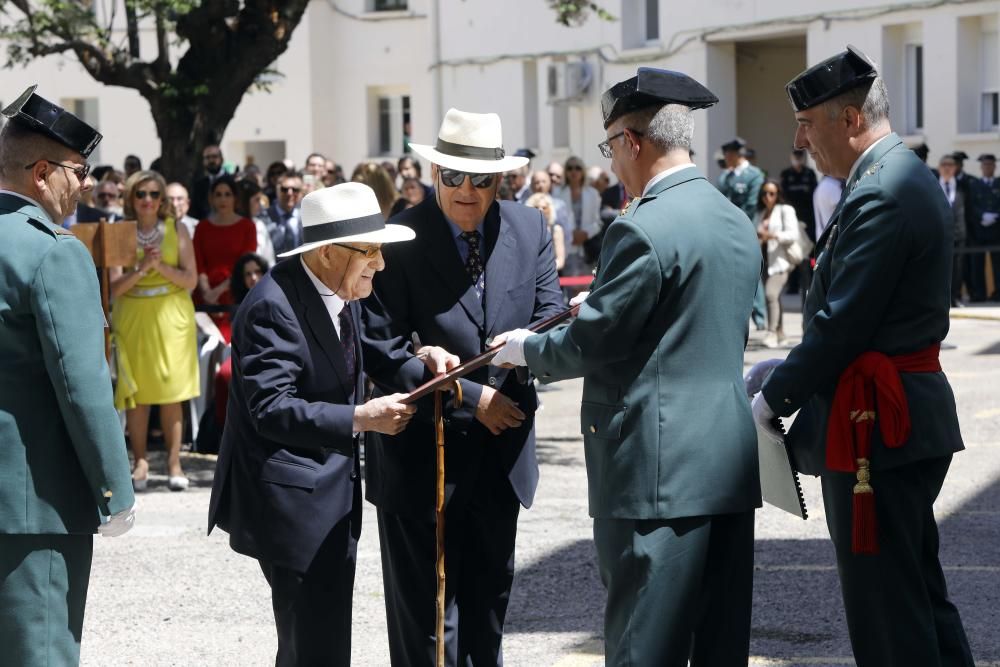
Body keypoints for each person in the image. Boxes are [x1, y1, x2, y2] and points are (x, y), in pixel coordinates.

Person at [490, 67, 762, 667]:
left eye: (610, 146)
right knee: (720, 646)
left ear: (632, 142)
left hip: (653, 472)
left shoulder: (641, 226)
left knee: (645, 644)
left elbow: (593, 343)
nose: (612, 162)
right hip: (725, 465)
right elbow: (687, 317)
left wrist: (524, 349)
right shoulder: (733, 220)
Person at [751, 45, 974, 667]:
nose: (799, 139)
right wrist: (785, 369)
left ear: (849, 120)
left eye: (807, 122)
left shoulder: (881, 188)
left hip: (876, 421)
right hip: (887, 415)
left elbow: (843, 324)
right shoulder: (892, 176)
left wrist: (773, 400)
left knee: (887, 612)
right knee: (916, 597)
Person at [208, 183, 448, 667]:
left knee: (323, 640)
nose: (380, 264)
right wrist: (362, 418)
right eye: (371, 251)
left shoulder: (337, 287)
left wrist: (426, 363)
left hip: (327, 498)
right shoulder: (272, 306)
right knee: (313, 645)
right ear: (324, 253)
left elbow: (370, 355)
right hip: (292, 505)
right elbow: (272, 408)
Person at [361, 108, 564, 666]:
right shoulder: (396, 238)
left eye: (481, 179)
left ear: (502, 180)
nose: (466, 191)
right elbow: (381, 348)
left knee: (487, 617)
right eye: (453, 176)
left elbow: (551, 317)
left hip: (502, 458)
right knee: (428, 628)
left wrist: (520, 357)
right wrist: (472, 395)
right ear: (434, 175)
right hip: (420, 460)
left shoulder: (530, 227)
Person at [0, 85, 135, 665]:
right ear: (41, 173)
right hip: (36, 508)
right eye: (79, 172)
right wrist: (115, 489)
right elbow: (83, 388)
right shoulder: (55, 252)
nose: (85, 184)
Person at [109, 170, 200, 492]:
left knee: (173, 392)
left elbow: (191, 280)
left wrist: (159, 267)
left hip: (172, 317)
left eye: (154, 194)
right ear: (131, 198)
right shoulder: (119, 231)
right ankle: (141, 462)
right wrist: (142, 270)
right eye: (140, 194)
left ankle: (175, 463)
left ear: (162, 199)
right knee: (136, 394)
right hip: (133, 315)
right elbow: (114, 288)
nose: (147, 200)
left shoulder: (179, 229)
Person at [192, 175, 258, 342]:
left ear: (235, 198)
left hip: (235, 297)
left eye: (227, 194)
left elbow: (245, 264)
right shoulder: (202, 227)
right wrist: (207, 292)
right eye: (218, 194)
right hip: (204, 300)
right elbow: (198, 263)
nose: (223, 199)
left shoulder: (247, 227)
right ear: (211, 199)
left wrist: (217, 292)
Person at [718, 137, 767, 330]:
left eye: (728, 155)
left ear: (736, 155)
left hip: (747, 229)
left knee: (751, 269)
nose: (725, 158)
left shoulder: (754, 175)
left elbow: (752, 205)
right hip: (727, 230)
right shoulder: (726, 176)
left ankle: (760, 316)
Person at [754, 179, 801, 347]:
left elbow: (793, 234)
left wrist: (772, 236)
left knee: (770, 295)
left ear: (778, 194)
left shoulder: (785, 210)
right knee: (776, 297)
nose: (768, 197)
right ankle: (781, 333)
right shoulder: (761, 213)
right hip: (766, 261)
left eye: (772, 193)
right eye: (764, 193)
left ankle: (771, 332)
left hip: (781, 261)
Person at [555, 155, 602, 274]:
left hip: (587, 248)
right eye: (570, 168)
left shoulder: (593, 193)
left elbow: (598, 223)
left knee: (588, 288)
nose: (573, 171)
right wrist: (571, 235)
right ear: (565, 172)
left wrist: (585, 233)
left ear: (583, 171)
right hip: (567, 248)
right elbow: (555, 220)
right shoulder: (557, 193)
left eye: (577, 168)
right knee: (569, 289)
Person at [965, 152, 1000, 301]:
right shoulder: (975, 185)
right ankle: (979, 294)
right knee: (977, 264)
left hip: (997, 229)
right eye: (985, 165)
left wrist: (995, 216)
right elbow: (971, 205)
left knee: (998, 265)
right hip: (979, 231)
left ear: (995, 166)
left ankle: (998, 293)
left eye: (990, 165)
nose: (988, 167)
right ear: (981, 167)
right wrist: (982, 216)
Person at [938, 154, 967, 307]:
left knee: (958, 268)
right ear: (939, 168)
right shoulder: (933, 186)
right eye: (944, 165)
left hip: (959, 235)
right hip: (939, 235)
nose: (947, 168)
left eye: (950, 165)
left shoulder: (964, 187)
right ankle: (942, 299)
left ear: (955, 168)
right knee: (940, 268)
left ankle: (955, 297)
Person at [234, 178, 277, 265]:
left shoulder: (259, 225)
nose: (260, 205)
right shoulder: (227, 225)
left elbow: (269, 259)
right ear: (244, 201)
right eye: (257, 200)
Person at [525, 191, 565, 271]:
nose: (540, 210)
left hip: (551, 274)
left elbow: (560, 261)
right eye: (536, 207)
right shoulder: (525, 231)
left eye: (544, 207)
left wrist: (544, 271)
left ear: (550, 209)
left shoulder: (556, 230)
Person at [267, 171, 304, 256]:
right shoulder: (264, 218)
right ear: (277, 190)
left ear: (301, 193)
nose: (290, 193)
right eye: (284, 189)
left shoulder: (307, 218)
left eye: (295, 189)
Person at [190, 143, 226, 220]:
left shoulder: (232, 181)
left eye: (214, 157)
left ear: (222, 159)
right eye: (207, 157)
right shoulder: (198, 185)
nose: (211, 160)